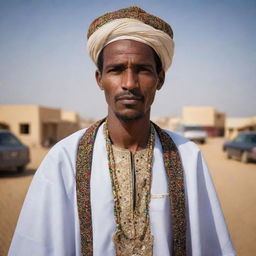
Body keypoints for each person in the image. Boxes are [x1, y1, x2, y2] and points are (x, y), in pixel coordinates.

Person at [9, 6, 236, 256]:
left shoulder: (188, 158)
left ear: (160, 79)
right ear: (99, 79)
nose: (129, 83)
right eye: (116, 70)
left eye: (143, 70)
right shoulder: (64, 159)